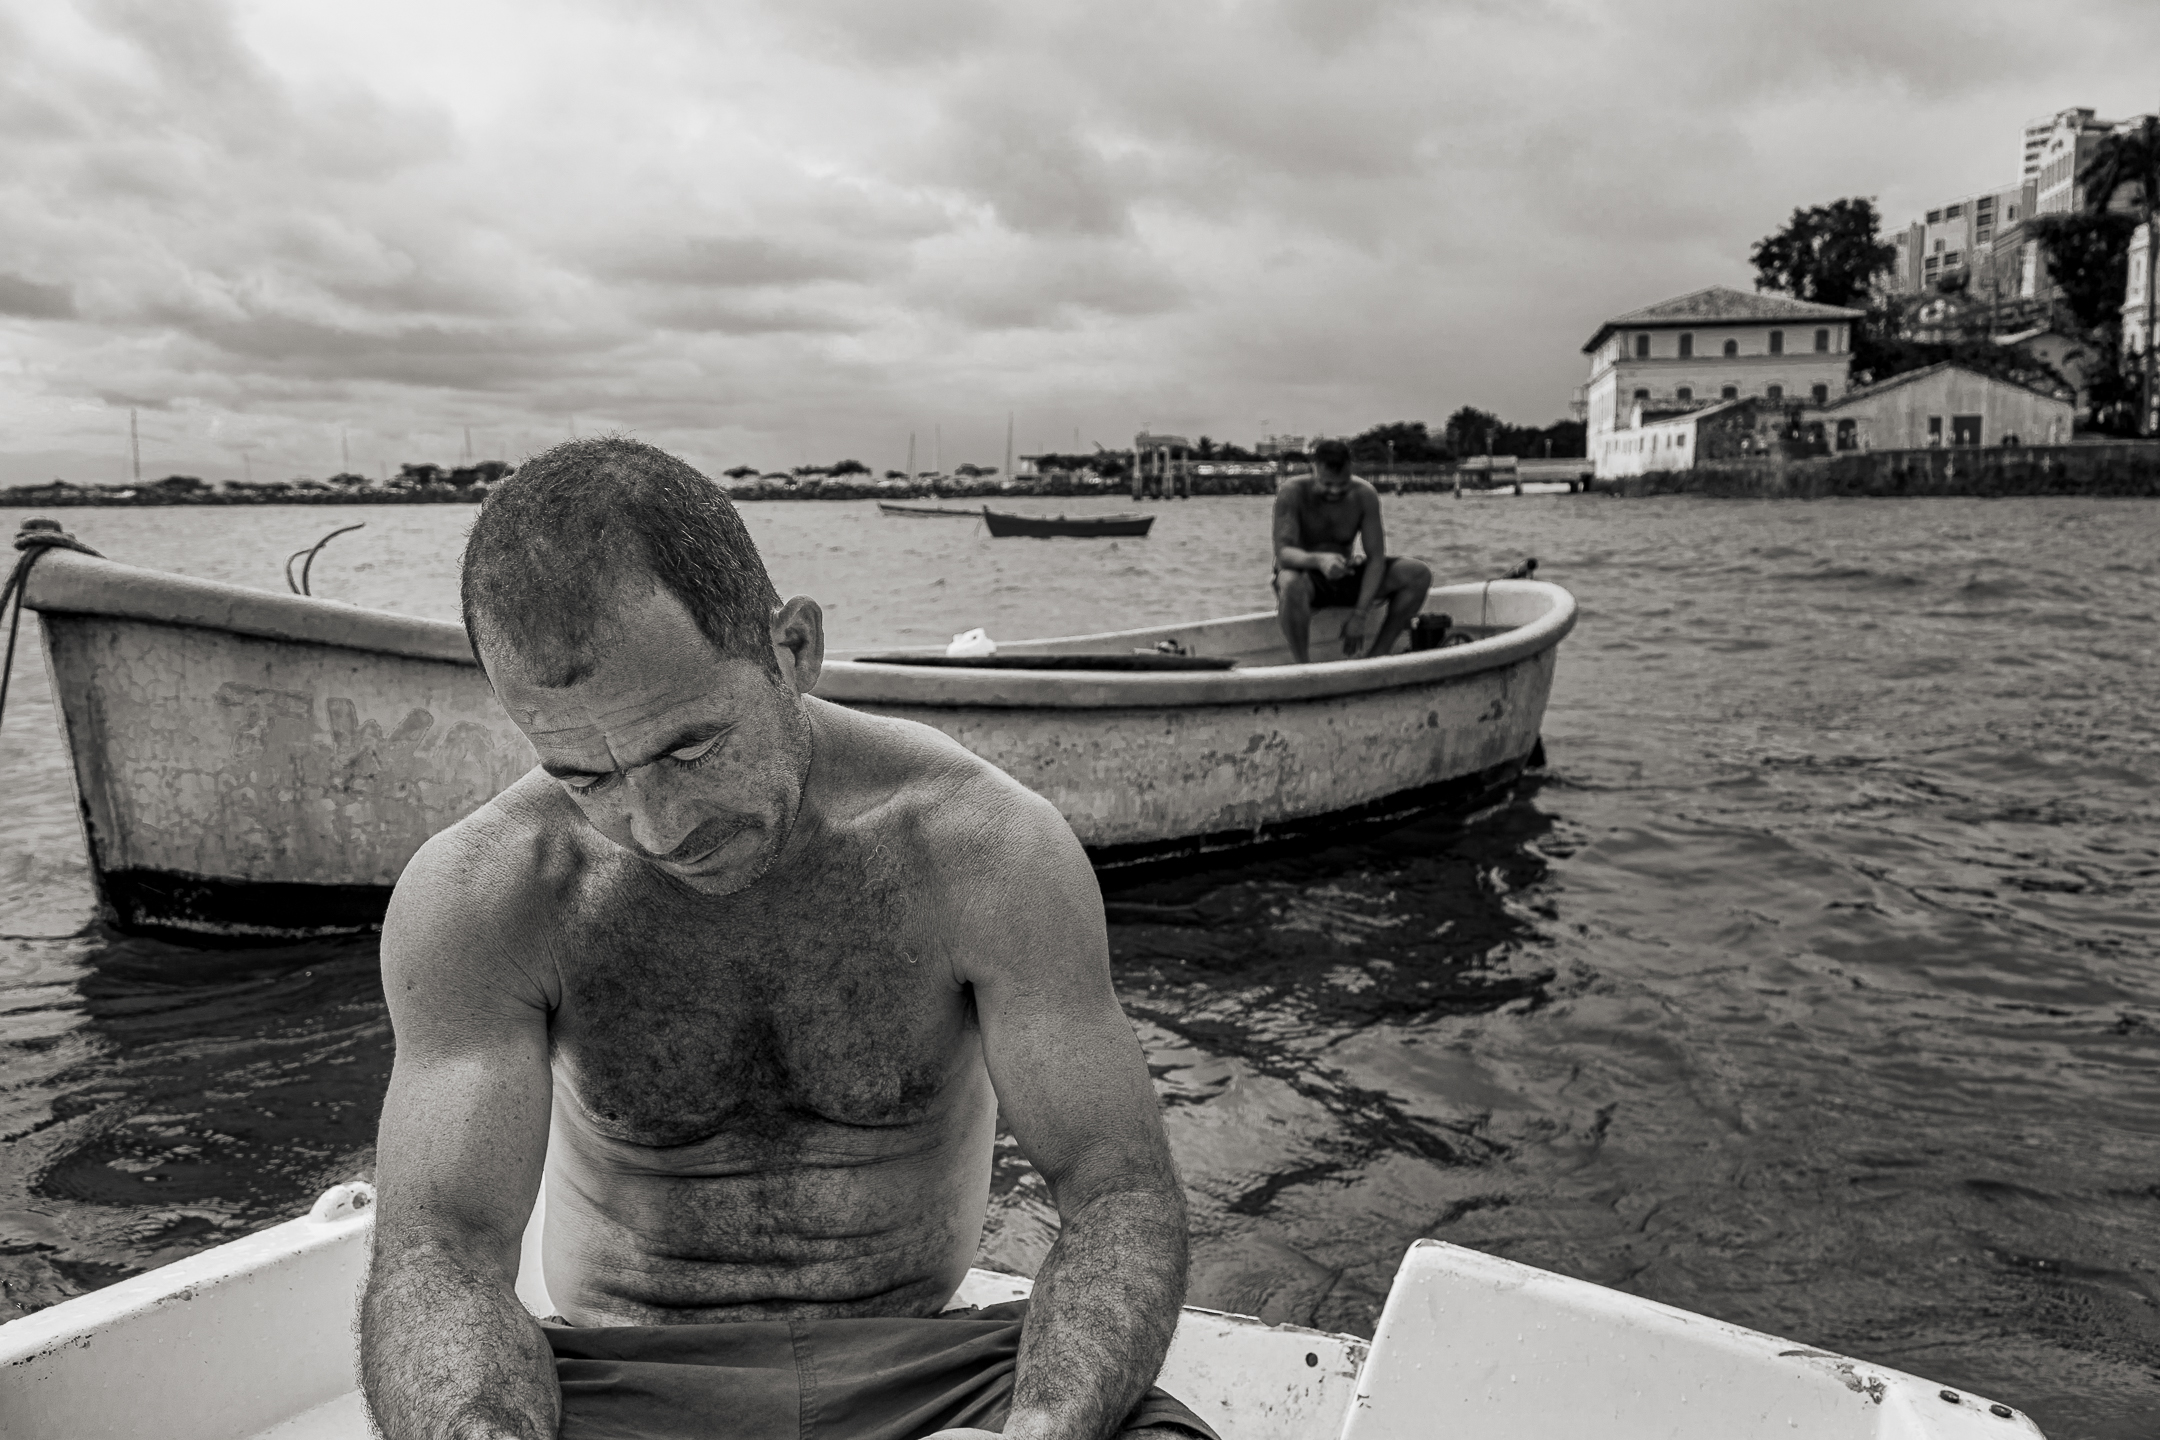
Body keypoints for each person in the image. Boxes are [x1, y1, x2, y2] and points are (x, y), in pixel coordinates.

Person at [358, 438, 1212, 1440]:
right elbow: (441, 1253)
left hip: (934, 1366)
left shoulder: (980, 850)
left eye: (691, 746)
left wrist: (1044, 1430)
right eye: (582, 776)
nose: (657, 826)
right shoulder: (487, 892)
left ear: (793, 648)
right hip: (622, 1380)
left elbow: (1117, 1192)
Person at [1272, 438, 1432, 664]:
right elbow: (1284, 554)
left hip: (1345, 574)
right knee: (1288, 581)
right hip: (1307, 577)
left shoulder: (1364, 494)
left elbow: (1376, 558)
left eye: (1342, 484)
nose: (1335, 490)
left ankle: (1378, 654)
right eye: (1327, 484)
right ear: (1314, 470)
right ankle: (1303, 665)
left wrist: (1360, 615)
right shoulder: (1292, 492)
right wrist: (1320, 560)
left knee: (1417, 573)